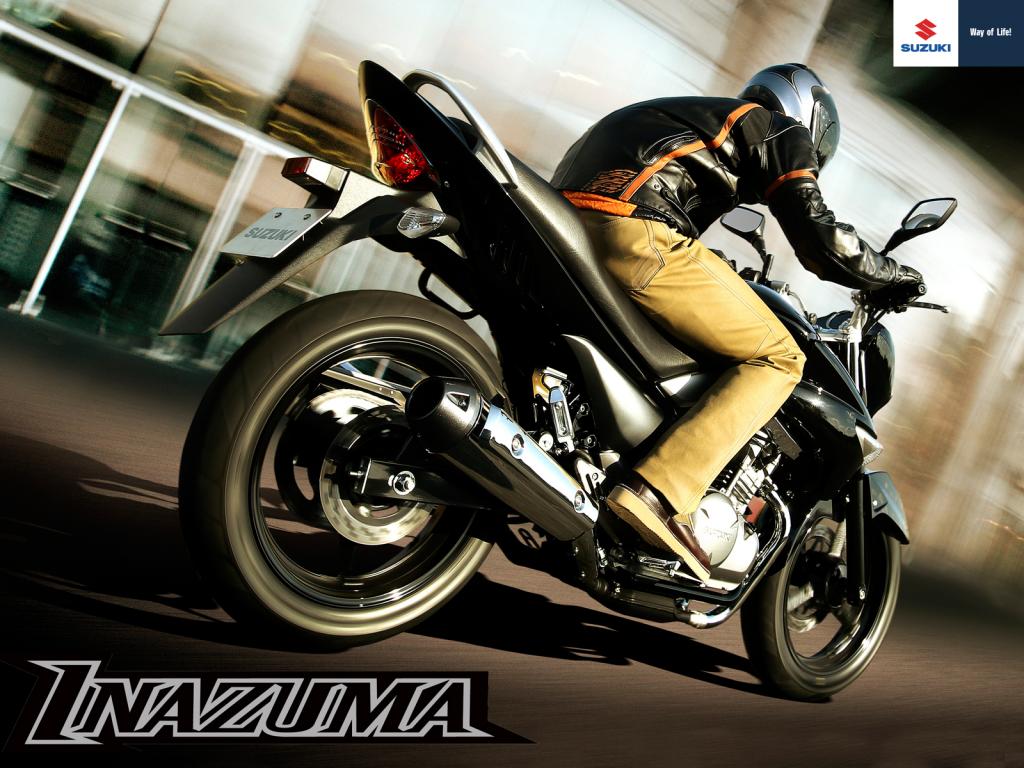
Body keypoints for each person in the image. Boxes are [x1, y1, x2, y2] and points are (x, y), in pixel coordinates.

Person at [551, 63, 922, 581]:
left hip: (567, 226)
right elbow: (818, 238)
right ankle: (659, 492)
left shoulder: (695, 118)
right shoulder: (778, 129)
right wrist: (890, 275)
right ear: (811, 121)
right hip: (633, 232)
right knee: (779, 357)